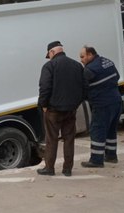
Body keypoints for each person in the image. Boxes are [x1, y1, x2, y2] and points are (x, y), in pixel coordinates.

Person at [37, 41, 86, 177]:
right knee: (69, 139)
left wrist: (44, 105)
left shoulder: (49, 66)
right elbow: (84, 88)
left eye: (49, 55)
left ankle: (49, 168)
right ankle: (67, 169)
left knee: (51, 139)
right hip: (71, 110)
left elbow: (45, 88)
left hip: (53, 110)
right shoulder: (77, 66)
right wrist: (76, 104)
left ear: (52, 52)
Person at [79, 46, 122, 168]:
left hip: (102, 104)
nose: (81, 60)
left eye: (83, 56)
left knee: (97, 130)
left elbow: (83, 87)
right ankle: (111, 156)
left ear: (90, 55)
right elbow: (117, 77)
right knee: (111, 130)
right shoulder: (107, 61)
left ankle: (96, 160)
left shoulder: (90, 69)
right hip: (116, 101)